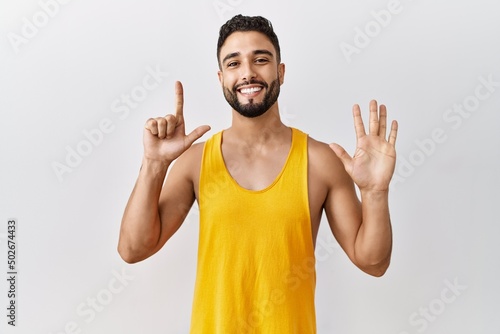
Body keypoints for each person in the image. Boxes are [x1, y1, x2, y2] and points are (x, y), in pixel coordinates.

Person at [118, 14, 398, 333]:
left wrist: (375, 192)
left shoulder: (320, 161)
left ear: (280, 71)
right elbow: (133, 249)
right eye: (234, 63)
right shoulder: (196, 161)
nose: (248, 73)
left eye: (260, 59)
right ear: (222, 77)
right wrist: (154, 165)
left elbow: (374, 263)